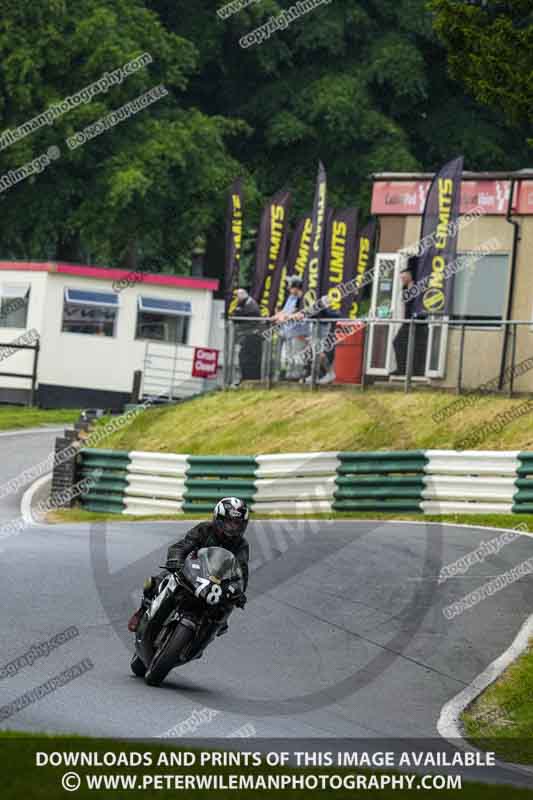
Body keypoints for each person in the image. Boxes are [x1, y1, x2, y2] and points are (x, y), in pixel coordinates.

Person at [128, 497, 250, 635]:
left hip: (217, 584)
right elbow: (182, 546)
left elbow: (242, 571)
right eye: (229, 523)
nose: (233, 528)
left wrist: (239, 591)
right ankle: (143, 610)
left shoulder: (242, 545)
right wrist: (176, 559)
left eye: (237, 524)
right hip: (193, 571)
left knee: (223, 618)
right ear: (218, 519)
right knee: (157, 582)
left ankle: (202, 640)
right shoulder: (204, 529)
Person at [270, 275, 310, 380]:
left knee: (297, 355)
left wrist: (285, 316)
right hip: (289, 332)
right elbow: (285, 311)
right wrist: (275, 316)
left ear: (296, 287)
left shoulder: (303, 298)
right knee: (289, 355)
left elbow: (300, 314)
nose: (288, 288)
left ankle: (297, 377)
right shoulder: (291, 297)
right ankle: (290, 376)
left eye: (290, 286)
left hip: (300, 333)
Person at [392, 266, 427, 377]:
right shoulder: (404, 288)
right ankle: (402, 369)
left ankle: (415, 372)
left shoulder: (418, 288)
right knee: (399, 343)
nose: (402, 280)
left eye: (404, 277)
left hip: (418, 322)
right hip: (408, 322)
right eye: (401, 278)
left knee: (414, 346)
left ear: (410, 276)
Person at [232, 289, 262, 382]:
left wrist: (238, 312)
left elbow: (239, 316)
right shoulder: (244, 303)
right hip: (247, 335)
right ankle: (245, 378)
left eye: (237, 297)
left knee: (247, 358)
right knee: (243, 357)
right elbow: (236, 315)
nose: (236, 299)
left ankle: (249, 379)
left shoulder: (251, 305)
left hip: (251, 336)